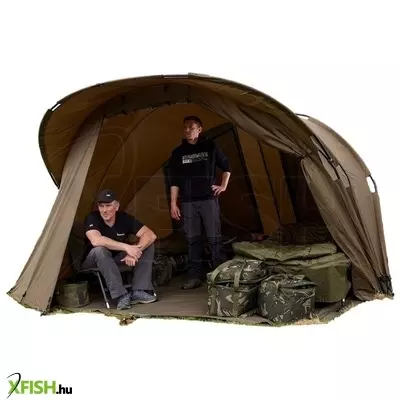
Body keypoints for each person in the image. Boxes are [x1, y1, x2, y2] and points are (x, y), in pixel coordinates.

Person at [169, 116, 231, 289]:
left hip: (208, 199)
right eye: (185, 127)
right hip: (188, 202)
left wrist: (223, 186)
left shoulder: (210, 146)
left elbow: (226, 166)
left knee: (214, 238)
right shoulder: (178, 152)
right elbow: (174, 181)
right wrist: (173, 203)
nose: (188, 130)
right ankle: (194, 276)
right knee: (192, 240)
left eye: (191, 127)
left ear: (200, 129)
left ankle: (221, 276)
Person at [81, 189, 157, 310]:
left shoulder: (123, 218)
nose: (104, 210)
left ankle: (139, 290)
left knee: (148, 245)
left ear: (116, 206)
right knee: (100, 250)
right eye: (101, 206)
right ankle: (120, 295)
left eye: (108, 206)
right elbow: (96, 240)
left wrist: (133, 253)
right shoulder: (92, 218)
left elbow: (150, 235)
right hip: (93, 260)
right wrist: (127, 247)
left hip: (116, 259)